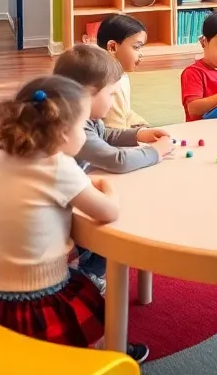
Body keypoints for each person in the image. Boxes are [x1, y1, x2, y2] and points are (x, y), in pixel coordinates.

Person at [0, 75, 149, 362]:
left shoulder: (7, 154)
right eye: (83, 126)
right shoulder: (58, 166)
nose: (86, 134)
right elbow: (108, 211)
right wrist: (109, 188)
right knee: (91, 298)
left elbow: (49, 187)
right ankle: (108, 349)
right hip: (39, 289)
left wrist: (83, 184)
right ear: (64, 133)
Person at [52, 44, 172, 292]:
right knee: (116, 220)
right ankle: (88, 272)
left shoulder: (87, 119)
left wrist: (139, 134)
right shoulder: (74, 126)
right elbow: (117, 161)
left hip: (76, 190)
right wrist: (156, 152)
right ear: (87, 94)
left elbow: (104, 134)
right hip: (65, 204)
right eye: (110, 94)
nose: (114, 99)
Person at [93, 14, 149, 129]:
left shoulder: (122, 76)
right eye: (136, 47)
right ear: (112, 47)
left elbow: (125, 111)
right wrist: (139, 135)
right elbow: (114, 130)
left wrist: (141, 124)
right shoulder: (108, 84)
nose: (141, 54)